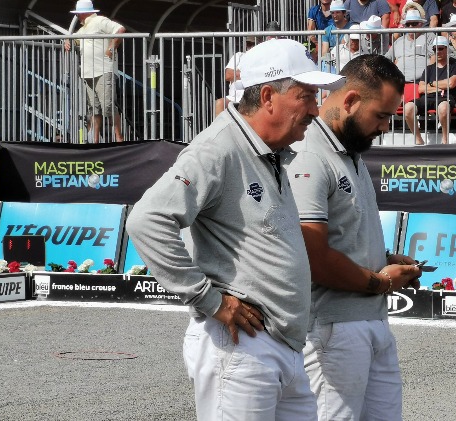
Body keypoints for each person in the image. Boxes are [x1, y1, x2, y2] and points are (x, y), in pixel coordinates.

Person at [125, 38, 346, 420]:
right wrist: (211, 301)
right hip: (242, 347)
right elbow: (147, 220)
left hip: (276, 346)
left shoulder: (267, 149)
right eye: (306, 96)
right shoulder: (218, 148)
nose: (315, 108)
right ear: (268, 97)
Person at [282, 54, 422, 421]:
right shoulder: (309, 155)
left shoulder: (349, 151)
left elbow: (341, 237)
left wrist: (383, 260)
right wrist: (380, 281)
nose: (385, 127)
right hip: (332, 329)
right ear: (350, 101)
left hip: (369, 321)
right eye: (381, 115)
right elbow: (313, 257)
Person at [63, 0, 126, 143]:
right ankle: (95, 140)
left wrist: (111, 47)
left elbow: (120, 29)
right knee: (94, 109)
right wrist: (68, 40)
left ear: (82, 13)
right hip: (88, 72)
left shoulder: (100, 21)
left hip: (103, 71)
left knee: (108, 107)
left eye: (78, 14)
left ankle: (119, 139)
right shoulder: (84, 28)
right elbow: (75, 40)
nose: (77, 17)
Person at [404, 37, 456, 144]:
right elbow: (421, 88)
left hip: (445, 97)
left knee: (443, 108)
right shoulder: (429, 68)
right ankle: (418, 139)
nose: (437, 51)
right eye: (435, 49)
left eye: (440, 48)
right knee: (407, 108)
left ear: (447, 49)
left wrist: (431, 84)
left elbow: (451, 83)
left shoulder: (455, 66)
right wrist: (441, 86)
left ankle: (445, 140)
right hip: (427, 98)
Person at [386, 9, 436, 82]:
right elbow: (386, 59)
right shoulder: (398, 41)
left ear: (421, 24)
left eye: (414, 24)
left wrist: (429, 78)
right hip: (399, 82)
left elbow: (434, 57)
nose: (410, 26)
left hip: (422, 82)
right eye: (408, 24)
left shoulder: (429, 36)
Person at [214, 37, 257, 117]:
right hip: (234, 98)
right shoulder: (239, 56)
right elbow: (228, 75)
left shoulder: (261, 58)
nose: (251, 47)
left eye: (254, 44)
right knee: (220, 103)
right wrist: (249, 74)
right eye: (249, 44)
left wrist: (238, 73)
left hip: (253, 98)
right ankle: (221, 125)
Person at [322, 0, 357, 70]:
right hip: (333, 64)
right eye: (332, 13)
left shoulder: (352, 28)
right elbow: (324, 54)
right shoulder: (327, 30)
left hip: (349, 63)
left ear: (344, 13)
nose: (334, 15)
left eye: (337, 12)